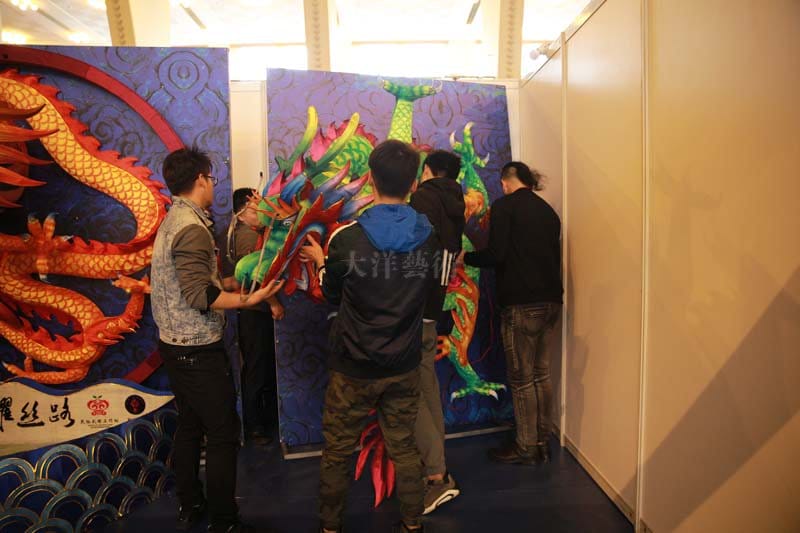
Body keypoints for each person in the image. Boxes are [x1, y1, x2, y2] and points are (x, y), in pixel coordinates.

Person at [300, 140, 439, 533]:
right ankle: (412, 523)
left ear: (371, 180)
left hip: (354, 365)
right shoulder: (429, 236)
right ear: (413, 184)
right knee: (404, 446)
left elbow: (331, 293)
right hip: (404, 361)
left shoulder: (347, 239)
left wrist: (321, 263)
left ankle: (330, 526)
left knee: (338, 450)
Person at [150, 147, 284, 533]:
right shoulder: (191, 227)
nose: (213, 185)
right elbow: (199, 296)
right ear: (200, 180)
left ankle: (191, 504)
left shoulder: (176, 219)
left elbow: (197, 283)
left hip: (176, 344)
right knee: (224, 432)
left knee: (191, 425)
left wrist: (234, 283)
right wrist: (249, 300)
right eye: (211, 178)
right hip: (196, 349)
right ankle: (224, 520)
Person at [461, 161, 563, 465]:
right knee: (541, 374)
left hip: (521, 302)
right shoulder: (548, 211)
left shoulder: (505, 207)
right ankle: (542, 440)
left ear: (506, 181)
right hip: (551, 301)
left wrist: (466, 258)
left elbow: (497, 254)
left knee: (521, 378)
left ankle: (525, 446)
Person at [408, 150, 465, 513]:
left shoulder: (422, 199)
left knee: (413, 389)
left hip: (413, 306)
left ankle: (435, 476)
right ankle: (437, 466)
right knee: (427, 386)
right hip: (435, 304)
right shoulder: (456, 203)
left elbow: (414, 252)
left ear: (427, 171)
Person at [228, 188, 284, 446]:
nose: (261, 212)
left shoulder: (252, 232)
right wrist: (274, 303)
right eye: (254, 209)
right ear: (241, 214)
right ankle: (254, 427)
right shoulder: (247, 237)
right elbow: (254, 276)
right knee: (257, 368)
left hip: (253, 309)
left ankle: (263, 420)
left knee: (260, 366)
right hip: (254, 311)